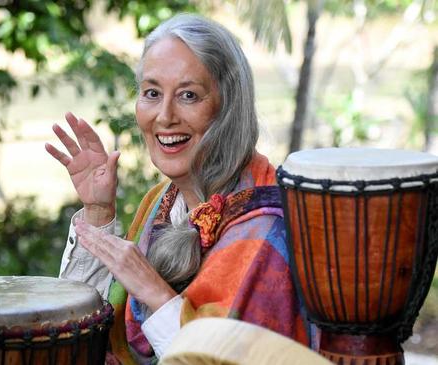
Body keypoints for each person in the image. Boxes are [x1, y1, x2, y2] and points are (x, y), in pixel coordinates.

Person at [45, 13, 311, 364]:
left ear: (229, 108)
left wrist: (155, 292)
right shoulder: (159, 202)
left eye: (188, 95)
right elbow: (85, 332)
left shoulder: (266, 229)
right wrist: (98, 213)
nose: (165, 116)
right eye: (152, 93)